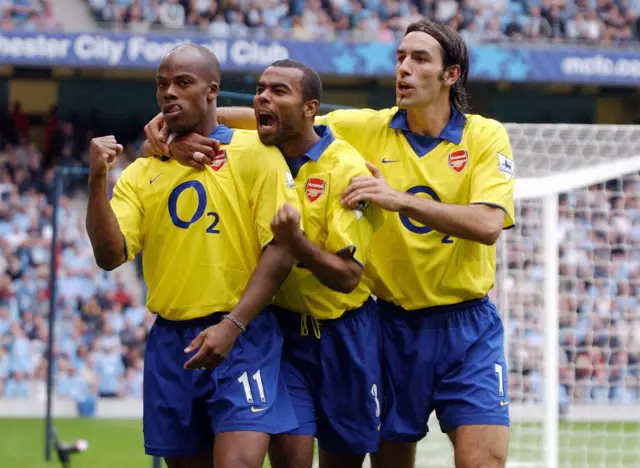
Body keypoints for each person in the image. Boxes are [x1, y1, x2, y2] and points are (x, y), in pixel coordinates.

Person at [145, 21, 516, 468]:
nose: (404, 68)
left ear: (450, 75)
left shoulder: (484, 135)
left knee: (483, 461)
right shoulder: (365, 128)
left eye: (419, 59)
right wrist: (176, 129)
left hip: (466, 325)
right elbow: (282, 120)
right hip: (392, 326)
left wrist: (396, 199)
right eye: (399, 58)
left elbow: (489, 223)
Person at [145, 59, 384, 468]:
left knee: (344, 458)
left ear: (310, 108)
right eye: (259, 90)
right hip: (283, 332)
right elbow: (206, 115)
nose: (262, 99)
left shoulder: (345, 167)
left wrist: (297, 245)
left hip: (344, 334)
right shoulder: (252, 150)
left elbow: (348, 278)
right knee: (291, 456)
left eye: (277, 92)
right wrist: (169, 134)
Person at [85, 44, 300, 468]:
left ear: (212, 91)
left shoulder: (255, 153)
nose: (169, 93)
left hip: (243, 335)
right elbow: (110, 256)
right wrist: (97, 181)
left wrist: (233, 325)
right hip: (172, 342)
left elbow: (280, 250)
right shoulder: (142, 172)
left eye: (183, 83)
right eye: (163, 84)